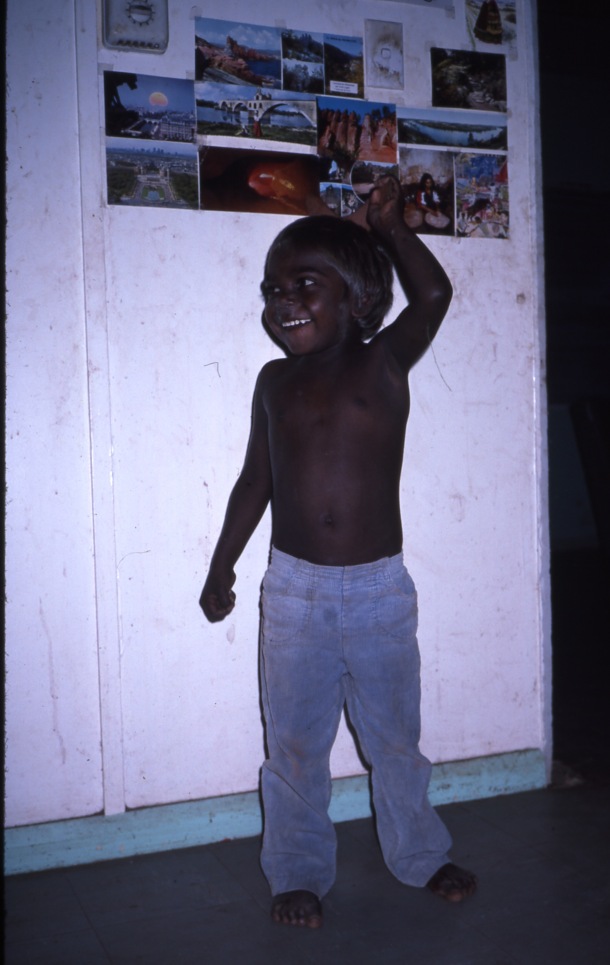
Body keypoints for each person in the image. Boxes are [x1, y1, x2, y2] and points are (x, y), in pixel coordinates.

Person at [200, 175, 477, 928]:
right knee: (292, 748)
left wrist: (390, 226)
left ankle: (419, 852)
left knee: (396, 741)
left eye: (303, 284)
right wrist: (221, 563)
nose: (281, 300)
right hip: (291, 595)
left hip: (380, 593)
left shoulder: (383, 364)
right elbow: (254, 480)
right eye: (272, 289)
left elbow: (434, 298)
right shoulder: (272, 383)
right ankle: (296, 871)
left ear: (356, 299)